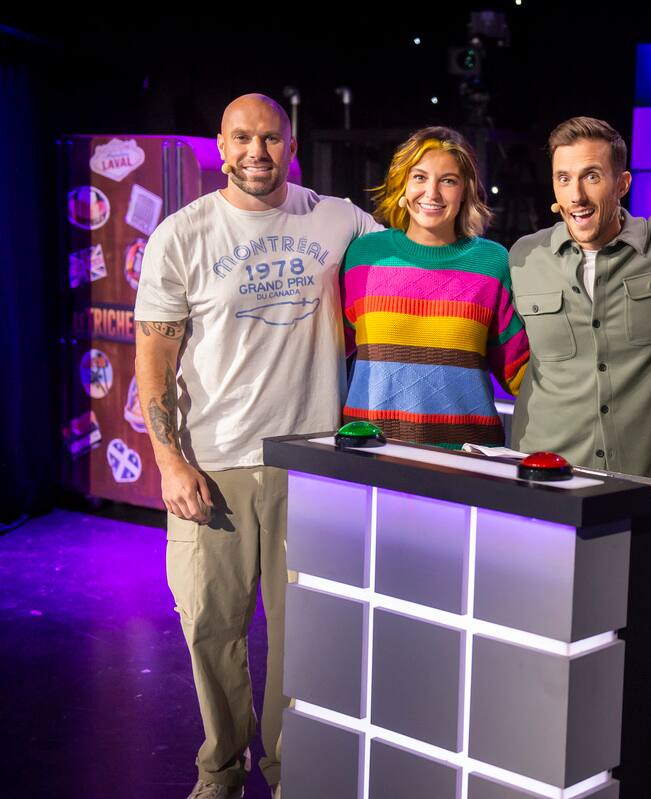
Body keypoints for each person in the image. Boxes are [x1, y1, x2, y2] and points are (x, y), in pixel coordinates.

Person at [134, 93, 381, 799]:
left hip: (311, 465)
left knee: (304, 635)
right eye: (242, 138)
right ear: (220, 145)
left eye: (270, 138)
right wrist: (170, 460)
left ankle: (289, 771)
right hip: (214, 465)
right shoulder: (183, 234)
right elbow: (154, 357)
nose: (256, 152)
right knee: (210, 627)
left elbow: (406, 264)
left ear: (291, 144)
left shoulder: (339, 218)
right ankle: (220, 770)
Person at [508, 116, 651, 477]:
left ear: (622, 183)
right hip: (546, 472)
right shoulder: (523, 257)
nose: (576, 196)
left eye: (591, 176)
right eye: (563, 179)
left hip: (647, 475)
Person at [341, 126, 528, 446]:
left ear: (465, 190)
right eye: (420, 177)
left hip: (466, 455)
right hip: (371, 451)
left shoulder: (491, 262)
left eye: (448, 181)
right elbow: (327, 355)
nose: (432, 193)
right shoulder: (364, 256)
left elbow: (519, 371)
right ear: (402, 183)